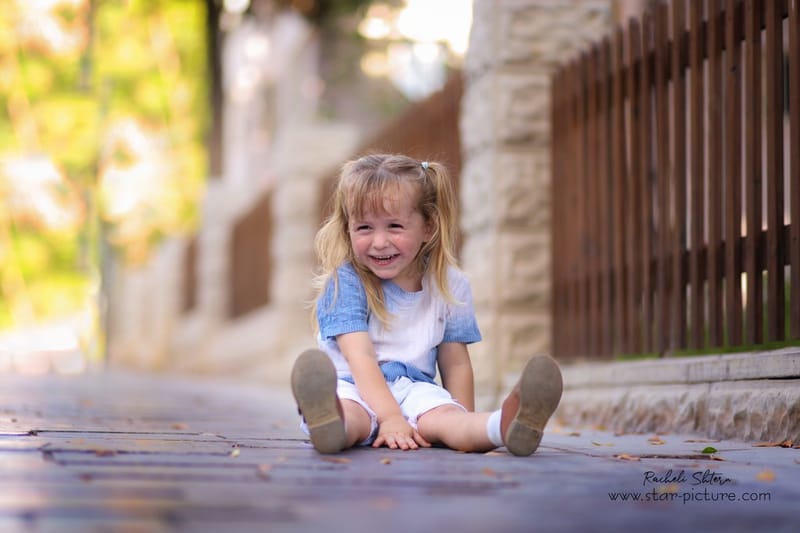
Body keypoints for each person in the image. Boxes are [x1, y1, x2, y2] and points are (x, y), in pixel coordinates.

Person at [291, 153, 562, 455]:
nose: (379, 242)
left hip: (414, 389)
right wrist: (390, 418)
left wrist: (461, 421)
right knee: (352, 415)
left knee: (446, 418)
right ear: (348, 229)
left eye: (394, 226)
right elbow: (360, 356)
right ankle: (330, 424)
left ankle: (505, 426)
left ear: (428, 227)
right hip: (353, 383)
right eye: (364, 228)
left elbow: (455, 362)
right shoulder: (346, 281)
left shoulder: (450, 284)